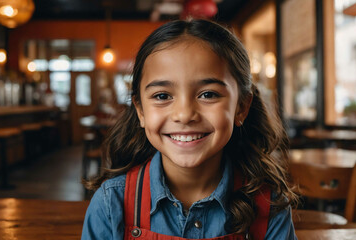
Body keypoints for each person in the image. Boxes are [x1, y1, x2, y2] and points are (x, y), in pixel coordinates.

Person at [82, 19, 297, 240]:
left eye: (208, 94)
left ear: (241, 107)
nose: (184, 115)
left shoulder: (270, 205)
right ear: (141, 111)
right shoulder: (111, 204)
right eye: (162, 96)